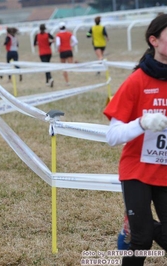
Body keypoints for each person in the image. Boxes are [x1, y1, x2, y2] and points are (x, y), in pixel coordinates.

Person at [103, 14, 167, 266]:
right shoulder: (136, 81)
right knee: (141, 241)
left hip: (164, 171)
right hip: (136, 171)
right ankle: (137, 221)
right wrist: (141, 123)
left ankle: (137, 219)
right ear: (154, 40)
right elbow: (112, 136)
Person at [56, 22, 78, 86]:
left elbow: (58, 44)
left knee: (63, 67)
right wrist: (71, 45)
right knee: (70, 65)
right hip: (69, 50)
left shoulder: (58, 35)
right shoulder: (69, 33)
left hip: (62, 51)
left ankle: (67, 81)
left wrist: (58, 49)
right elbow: (76, 41)